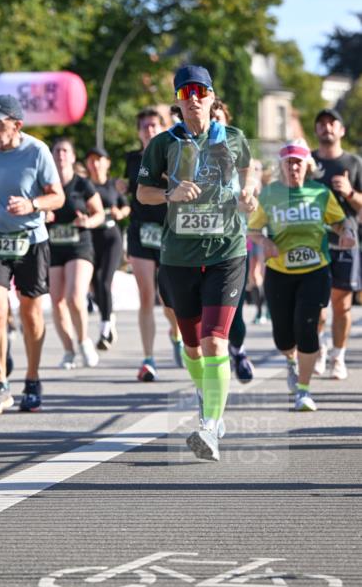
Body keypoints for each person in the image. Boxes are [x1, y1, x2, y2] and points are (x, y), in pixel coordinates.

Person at [137, 65, 257, 462]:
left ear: (211, 96)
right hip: (179, 256)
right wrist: (170, 192)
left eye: (200, 90)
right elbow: (142, 194)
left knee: (214, 340)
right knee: (192, 346)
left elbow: (248, 181)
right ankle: (208, 394)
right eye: (185, 91)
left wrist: (250, 198)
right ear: (177, 99)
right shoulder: (162, 143)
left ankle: (210, 425)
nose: (193, 98)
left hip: (227, 251)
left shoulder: (235, 139)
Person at [0, 95, 64, 414]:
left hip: (30, 240)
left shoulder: (37, 152)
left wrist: (32, 204)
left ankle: (32, 378)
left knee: (30, 312)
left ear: (16, 125)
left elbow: (57, 197)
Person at [248, 139, 355, 411]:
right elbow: (252, 230)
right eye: (288, 162)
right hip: (280, 272)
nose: (293, 166)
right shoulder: (271, 194)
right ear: (281, 165)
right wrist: (266, 242)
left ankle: (304, 391)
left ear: (308, 165)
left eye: (298, 161)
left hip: (315, 270)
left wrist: (346, 234)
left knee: (306, 327)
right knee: (283, 337)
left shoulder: (320, 193)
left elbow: (340, 222)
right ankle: (291, 361)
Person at [123, 107, 183, 381]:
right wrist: (120, 189)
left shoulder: (173, 154)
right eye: (144, 126)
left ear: (162, 128)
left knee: (167, 298)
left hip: (169, 231)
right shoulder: (132, 159)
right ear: (138, 132)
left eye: (153, 126)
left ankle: (176, 333)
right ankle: (148, 359)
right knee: (146, 295)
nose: (148, 130)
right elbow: (129, 191)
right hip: (140, 232)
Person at [311, 109, 362, 379]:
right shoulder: (307, 162)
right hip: (313, 242)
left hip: (346, 242)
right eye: (321, 124)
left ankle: (338, 357)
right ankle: (320, 350)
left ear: (341, 130)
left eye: (332, 123)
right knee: (317, 305)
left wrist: (350, 192)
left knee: (342, 306)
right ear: (316, 130)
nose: (326, 127)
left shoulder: (354, 163)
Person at [47, 138, 105, 368]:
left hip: (79, 245)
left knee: (74, 296)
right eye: (57, 151)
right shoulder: (46, 184)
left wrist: (88, 222)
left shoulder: (82, 184)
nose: (60, 155)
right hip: (53, 247)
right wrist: (43, 215)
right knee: (57, 301)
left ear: (72, 157)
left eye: (65, 151)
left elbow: (99, 213)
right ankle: (68, 350)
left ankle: (83, 341)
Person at [211, 99, 254, 383]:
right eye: (210, 117)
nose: (214, 122)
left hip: (233, 242)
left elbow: (251, 183)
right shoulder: (189, 150)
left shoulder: (239, 149)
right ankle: (213, 365)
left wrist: (248, 195)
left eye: (218, 117)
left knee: (234, 311)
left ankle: (237, 349)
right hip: (197, 244)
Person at [85, 145, 129, 349]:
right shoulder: (84, 186)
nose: (95, 164)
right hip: (91, 238)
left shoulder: (113, 185)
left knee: (104, 280)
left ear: (107, 163)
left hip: (111, 237)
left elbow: (125, 205)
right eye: (91, 160)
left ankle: (105, 329)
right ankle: (108, 317)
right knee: (94, 286)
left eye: (99, 159)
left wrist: (121, 213)